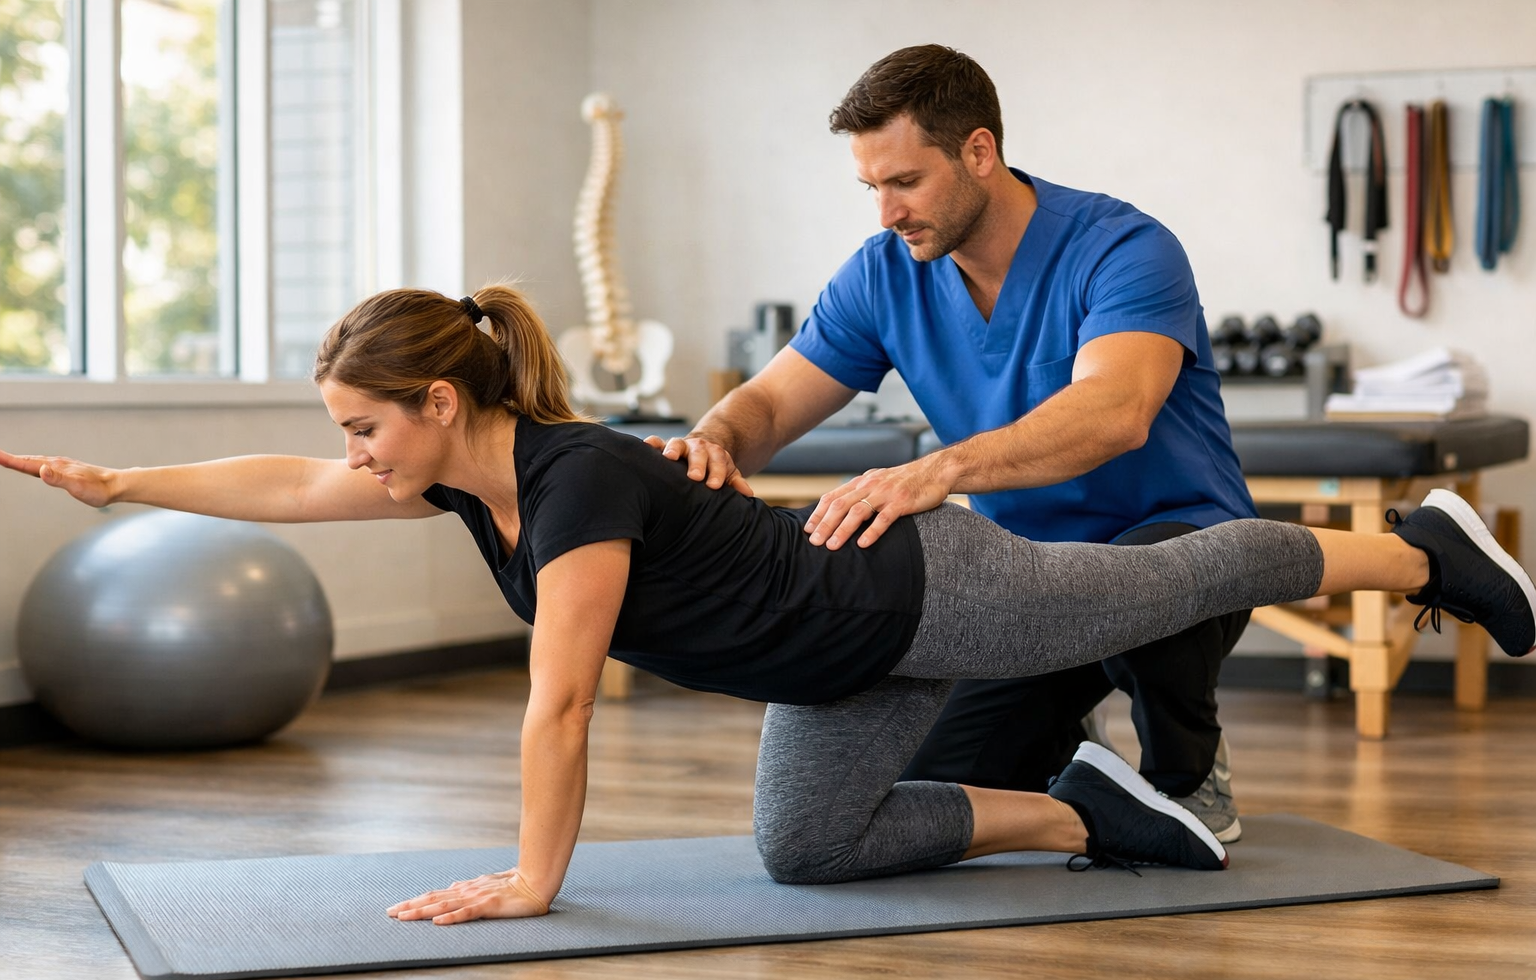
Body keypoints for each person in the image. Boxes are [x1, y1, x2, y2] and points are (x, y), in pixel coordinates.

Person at [4, 285, 1532, 926]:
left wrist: (538, 880)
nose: (351, 457)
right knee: (806, 854)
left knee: (1180, 572)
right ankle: (1100, 818)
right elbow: (282, 482)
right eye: (346, 432)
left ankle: (1421, 552)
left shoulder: (578, 477)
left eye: (365, 427)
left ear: (443, 399)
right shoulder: (455, 480)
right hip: (833, 670)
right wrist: (121, 485)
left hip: (925, 592)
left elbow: (554, 697)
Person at [649, 45, 1256, 839]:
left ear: (980, 151)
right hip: (1034, 581)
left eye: (905, 182)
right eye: (871, 187)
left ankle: (1189, 770)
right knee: (938, 777)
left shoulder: (1122, 247)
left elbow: (1117, 409)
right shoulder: (883, 273)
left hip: (1182, 547)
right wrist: (712, 441)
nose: (886, 213)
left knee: (1150, 577)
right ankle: (1076, 750)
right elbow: (769, 402)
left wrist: (938, 471)